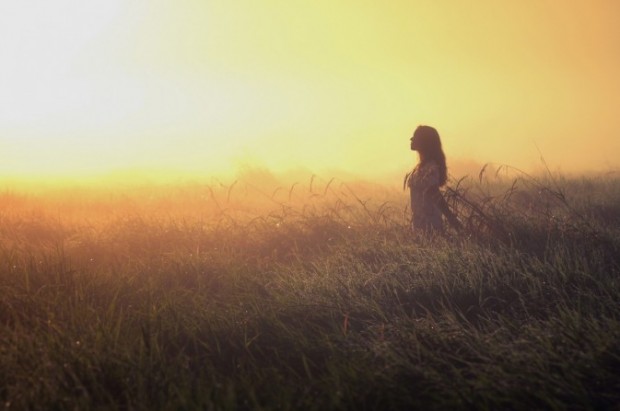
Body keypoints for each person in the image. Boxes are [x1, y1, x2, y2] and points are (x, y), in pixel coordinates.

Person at [405, 125, 460, 233]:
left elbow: (435, 195)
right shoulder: (421, 167)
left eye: (415, 136)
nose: (411, 139)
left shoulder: (431, 168)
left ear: (425, 142)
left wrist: (452, 219)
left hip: (429, 226)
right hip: (420, 225)